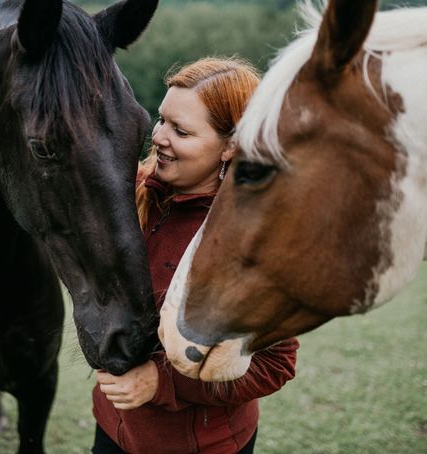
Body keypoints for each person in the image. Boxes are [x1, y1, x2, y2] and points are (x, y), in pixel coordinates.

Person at [91, 57, 300, 454]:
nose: (158, 137)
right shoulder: (130, 191)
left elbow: (275, 365)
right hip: (112, 427)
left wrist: (161, 382)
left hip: (199, 445)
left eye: (181, 131)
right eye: (161, 120)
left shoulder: (256, 238)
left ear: (231, 146)